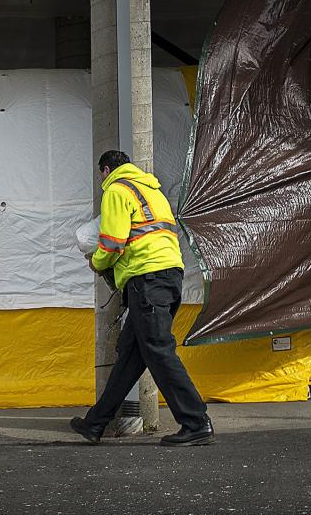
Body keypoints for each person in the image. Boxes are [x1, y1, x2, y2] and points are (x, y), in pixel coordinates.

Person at [69, 150, 214, 446]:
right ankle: (96, 423)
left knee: (159, 351)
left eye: (101, 176)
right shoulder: (151, 190)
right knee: (131, 356)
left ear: (106, 170)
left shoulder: (116, 190)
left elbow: (112, 242)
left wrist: (96, 262)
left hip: (146, 280)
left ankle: (196, 422)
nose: (102, 181)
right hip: (169, 277)